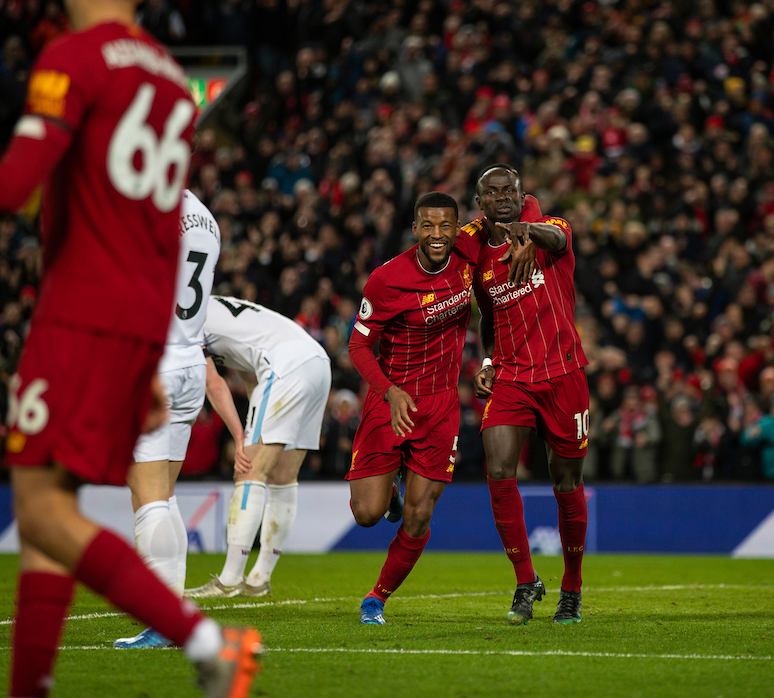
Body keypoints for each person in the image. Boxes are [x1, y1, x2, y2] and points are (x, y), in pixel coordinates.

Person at [0, 0, 261, 697]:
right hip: (138, 328)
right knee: (49, 512)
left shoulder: (73, 57)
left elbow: (10, 186)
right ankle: (30, 685)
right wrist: (143, 358)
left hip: (76, 319)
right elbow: (156, 238)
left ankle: (203, 640)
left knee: (41, 513)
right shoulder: (174, 82)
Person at [346, 190, 538, 625]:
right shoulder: (386, 279)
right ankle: (387, 492)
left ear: (457, 228)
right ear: (415, 229)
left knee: (418, 516)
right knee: (367, 515)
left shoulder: (468, 251)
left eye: (445, 226)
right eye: (428, 226)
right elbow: (357, 344)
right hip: (391, 399)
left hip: (441, 406)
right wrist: (389, 390)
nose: (437, 235)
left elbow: (522, 201)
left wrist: (526, 232)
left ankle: (376, 598)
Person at [115, 189, 244, 649]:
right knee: (163, 496)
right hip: (191, 361)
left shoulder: (153, 210)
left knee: (147, 497)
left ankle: (164, 619)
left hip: (155, 363)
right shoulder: (206, 218)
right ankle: (171, 614)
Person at [471, 166, 591, 625]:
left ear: (522, 196)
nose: (501, 198)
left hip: (564, 374)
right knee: (498, 468)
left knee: (566, 483)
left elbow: (559, 241)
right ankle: (525, 580)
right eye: (492, 192)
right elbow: (487, 319)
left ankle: (572, 590)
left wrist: (528, 231)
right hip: (514, 376)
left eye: (509, 191)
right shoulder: (480, 260)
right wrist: (487, 362)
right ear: (480, 203)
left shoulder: (551, 230)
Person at [185, 295, 331, 598]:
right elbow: (249, 370)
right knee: (283, 478)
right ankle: (258, 579)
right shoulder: (213, 304)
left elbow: (213, 384)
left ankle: (228, 580)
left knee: (250, 471)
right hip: (317, 362)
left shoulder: (185, 314)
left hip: (284, 366)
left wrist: (240, 437)